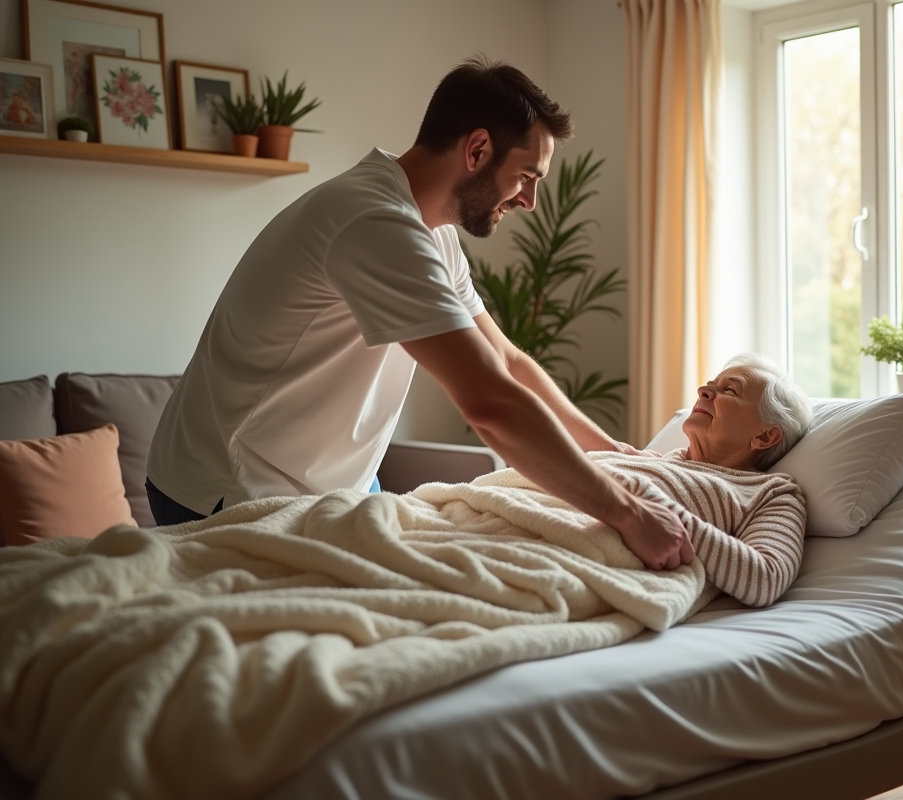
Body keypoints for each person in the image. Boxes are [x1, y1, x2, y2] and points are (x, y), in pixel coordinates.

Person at [146, 55, 692, 572]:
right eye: (527, 176)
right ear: (477, 149)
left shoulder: (433, 233)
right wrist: (628, 514)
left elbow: (505, 362)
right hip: (226, 490)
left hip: (334, 486)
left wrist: (613, 452)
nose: (528, 201)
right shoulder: (374, 224)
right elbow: (490, 404)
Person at [588, 353, 813, 606]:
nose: (703, 390)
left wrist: (651, 509)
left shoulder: (769, 494)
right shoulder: (650, 459)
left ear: (764, 436)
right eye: (710, 384)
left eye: (730, 390)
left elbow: (766, 578)